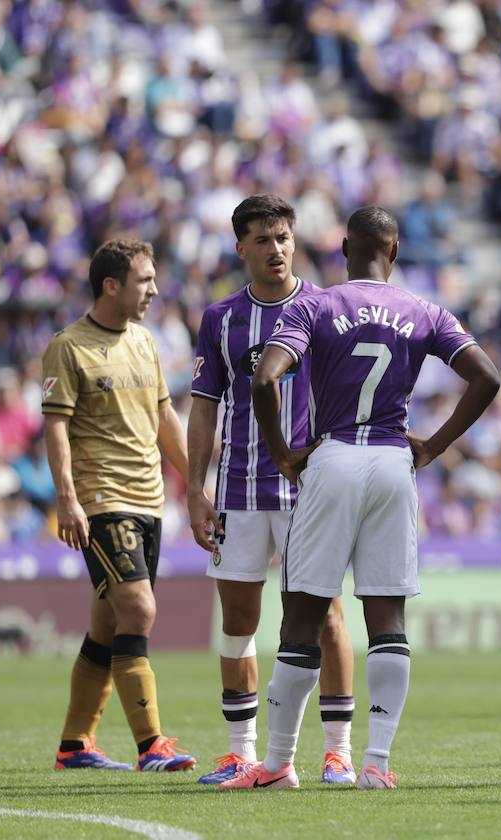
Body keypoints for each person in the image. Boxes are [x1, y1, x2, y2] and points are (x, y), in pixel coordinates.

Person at [222, 206, 500, 790]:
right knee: (387, 619)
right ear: (394, 253)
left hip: (335, 457)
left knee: (302, 614)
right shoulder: (424, 311)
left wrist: (280, 453)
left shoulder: (317, 305)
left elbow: (266, 378)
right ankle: (374, 764)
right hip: (395, 463)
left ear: (345, 248)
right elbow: (488, 377)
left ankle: (274, 766)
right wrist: (436, 446)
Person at [186, 194, 358, 786]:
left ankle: (337, 751)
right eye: (262, 239)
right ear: (241, 249)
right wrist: (194, 489)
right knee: (237, 620)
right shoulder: (221, 319)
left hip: (309, 491)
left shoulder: (325, 308)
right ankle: (243, 753)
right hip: (236, 490)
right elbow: (204, 409)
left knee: (327, 616)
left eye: (283, 237)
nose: (275, 249)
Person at [44, 239, 196, 772]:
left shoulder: (145, 342)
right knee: (139, 609)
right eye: (144, 280)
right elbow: (56, 428)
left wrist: (194, 485)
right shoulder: (69, 346)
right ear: (112, 285)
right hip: (102, 498)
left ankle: (75, 745)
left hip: (149, 500)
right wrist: (68, 498)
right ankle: (151, 744)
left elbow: (165, 420)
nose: (154, 289)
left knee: (108, 626)